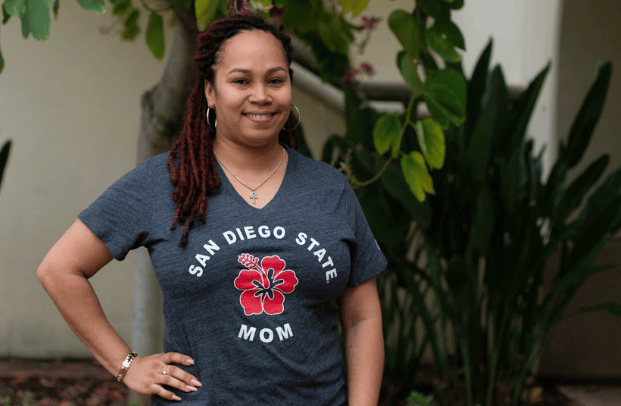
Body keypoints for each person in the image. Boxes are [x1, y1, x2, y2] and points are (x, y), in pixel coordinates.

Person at [38, 14, 386, 406]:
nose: (262, 95)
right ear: (209, 92)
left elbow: (362, 318)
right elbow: (60, 269)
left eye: (276, 80)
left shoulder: (329, 188)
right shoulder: (165, 182)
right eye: (241, 81)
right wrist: (127, 365)